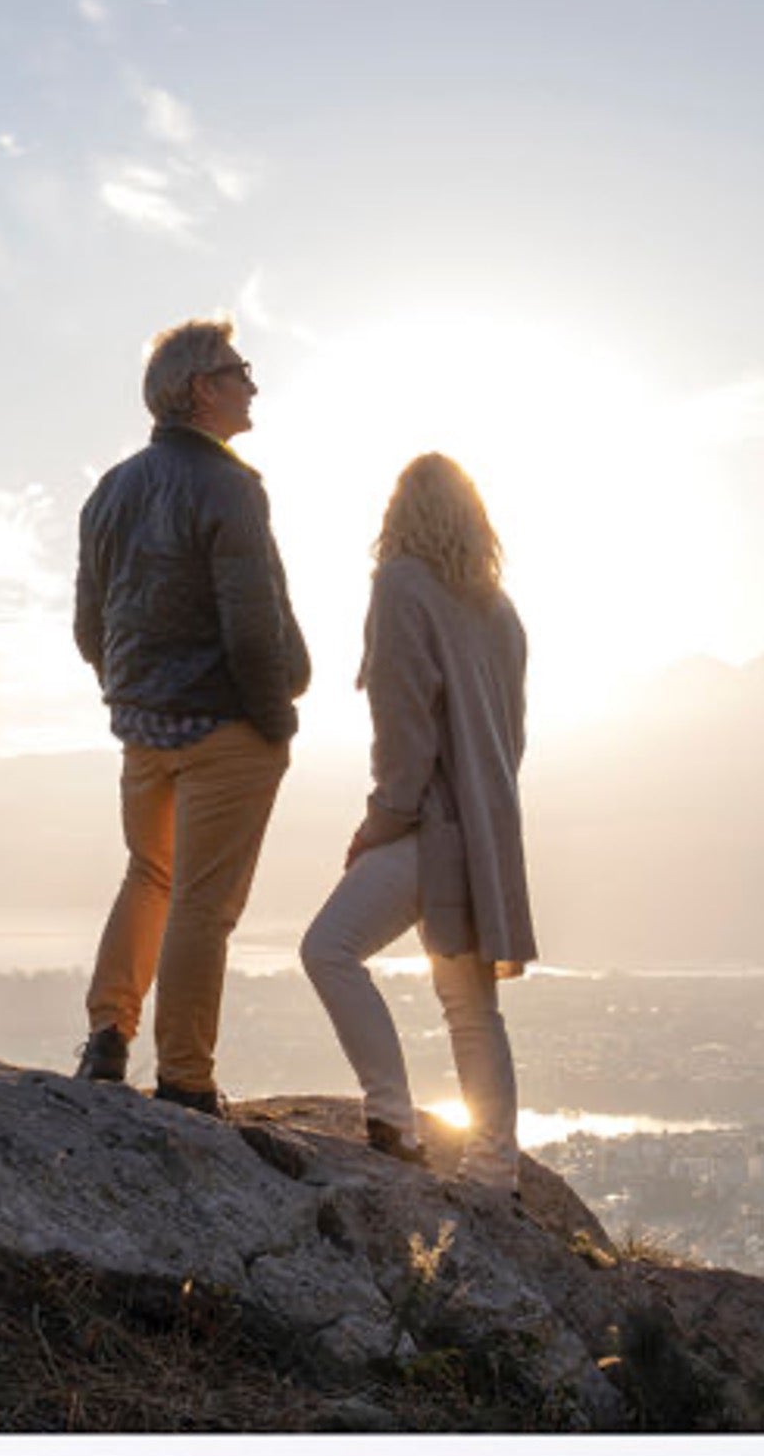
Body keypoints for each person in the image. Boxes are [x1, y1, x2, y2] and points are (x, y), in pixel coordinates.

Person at [73, 317, 310, 1115]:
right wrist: (274, 718)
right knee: (203, 906)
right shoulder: (229, 485)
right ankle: (184, 1079)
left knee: (148, 875)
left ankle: (108, 1033)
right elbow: (252, 618)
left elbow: (88, 626)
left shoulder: (110, 489)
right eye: (239, 370)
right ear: (201, 388)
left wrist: (131, 691)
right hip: (225, 726)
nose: (252, 384)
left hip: (142, 729)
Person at [299, 452, 536, 1191]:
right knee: (470, 1006)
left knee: (329, 949)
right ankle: (493, 1169)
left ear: (399, 516)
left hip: (430, 820)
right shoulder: (498, 609)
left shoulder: (401, 586)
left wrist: (383, 818)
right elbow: (513, 732)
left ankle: (391, 1121)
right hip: (486, 828)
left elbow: (402, 726)